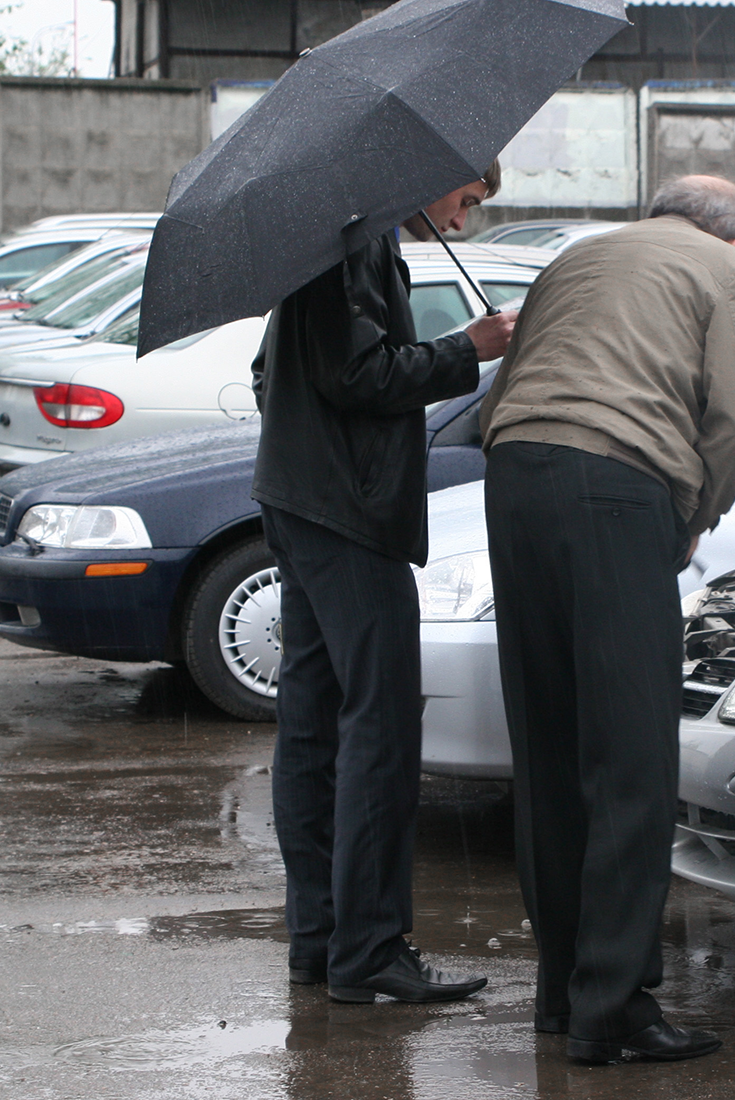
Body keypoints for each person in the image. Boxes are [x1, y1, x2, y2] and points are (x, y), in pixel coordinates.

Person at [478, 175, 735, 1062]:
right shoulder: (730, 275)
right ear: (731, 238)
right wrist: (693, 516)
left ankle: (563, 991)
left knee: (548, 747)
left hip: (515, 476)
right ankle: (611, 1012)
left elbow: (503, 395)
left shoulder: (577, 255)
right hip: (615, 488)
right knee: (631, 760)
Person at [251, 164, 517, 1005]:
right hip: (346, 515)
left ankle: (323, 940)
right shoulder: (353, 245)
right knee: (380, 724)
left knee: (317, 721)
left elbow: (275, 375)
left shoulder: (334, 244)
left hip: (308, 502)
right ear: (433, 178)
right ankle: (366, 950)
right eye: (465, 200)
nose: (464, 221)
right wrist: (465, 351)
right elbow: (357, 376)